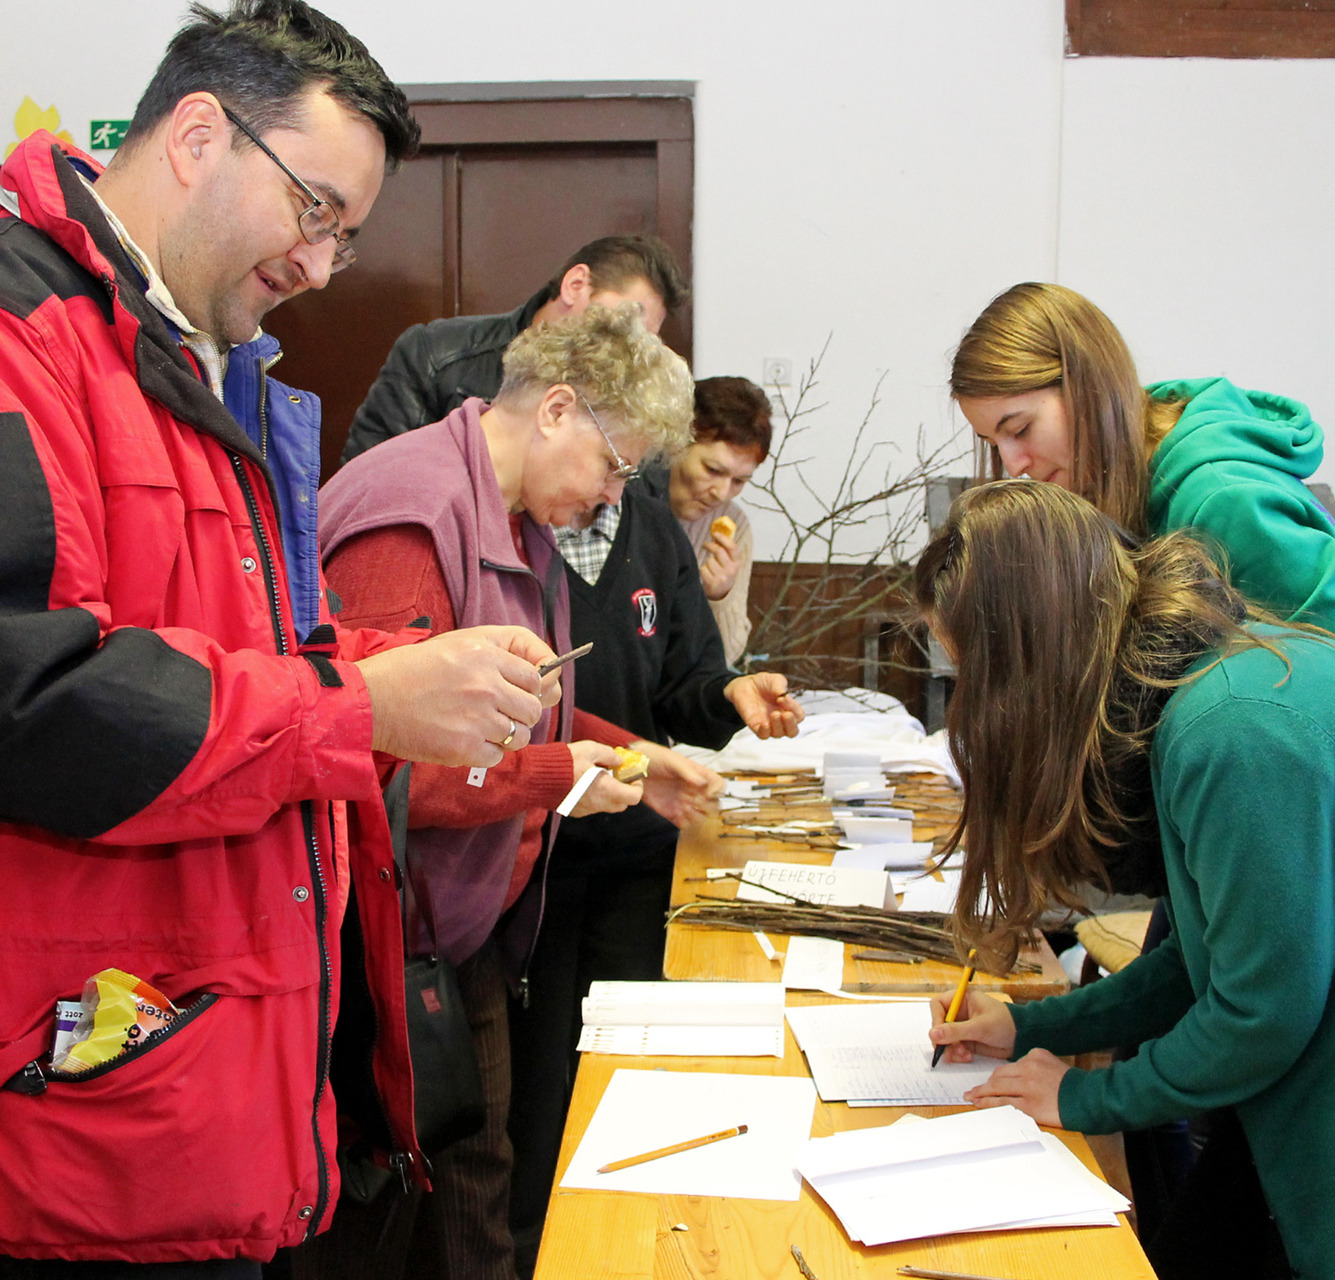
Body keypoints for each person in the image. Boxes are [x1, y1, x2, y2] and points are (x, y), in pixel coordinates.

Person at [0, 2, 566, 1272]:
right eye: (315, 211)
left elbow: (247, 641)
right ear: (199, 135)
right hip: (80, 1127)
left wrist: (390, 671)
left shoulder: (197, 361)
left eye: (344, 238)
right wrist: (365, 708)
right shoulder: (24, 338)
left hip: (206, 1083)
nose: (319, 266)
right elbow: (35, 699)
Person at [917, 480, 1335, 1280]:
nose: (972, 703)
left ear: (1031, 658)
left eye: (972, 673)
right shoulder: (1195, 690)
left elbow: (1257, 1015)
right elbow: (1200, 963)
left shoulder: (1234, 728)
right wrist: (1035, 1028)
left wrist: (1081, 1099)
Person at [306, 303, 768, 1280]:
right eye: (613, 466)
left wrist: (631, 754)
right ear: (556, 409)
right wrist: (561, 775)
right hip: (387, 944)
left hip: (456, 927)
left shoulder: (513, 517)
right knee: (417, 1216)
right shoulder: (413, 517)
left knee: (481, 1183)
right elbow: (383, 763)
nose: (610, 498)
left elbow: (528, 703)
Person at [505, 376, 796, 1272]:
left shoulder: (655, 534)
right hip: (531, 852)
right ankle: (541, 1246)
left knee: (626, 1066)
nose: (610, 483)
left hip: (633, 842)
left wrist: (730, 696)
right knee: (536, 1086)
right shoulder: (515, 526)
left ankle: (624, 1245)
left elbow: (683, 684)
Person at [951, 282, 1335, 670]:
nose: (1014, 465)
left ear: (1089, 388)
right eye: (994, 444)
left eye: (1020, 429)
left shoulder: (1226, 499)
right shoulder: (1122, 481)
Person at [341, 233, 689, 464]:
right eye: (624, 322)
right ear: (575, 284)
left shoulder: (631, 395)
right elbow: (373, 476)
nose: (629, 345)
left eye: (643, 339)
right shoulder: (438, 354)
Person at [637, 375, 772, 666]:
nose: (722, 493)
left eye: (739, 481)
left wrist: (720, 596)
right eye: (713, 470)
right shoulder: (628, 500)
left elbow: (726, 658)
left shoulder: (733, 524)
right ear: (678, 442)